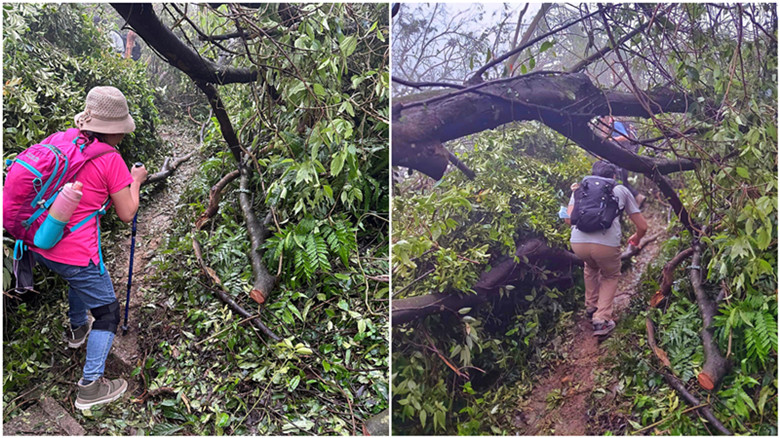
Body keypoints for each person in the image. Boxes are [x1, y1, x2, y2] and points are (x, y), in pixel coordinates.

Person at [29, 86, 148, 409]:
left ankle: (77, 330)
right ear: (116, 130)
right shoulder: (111, 160)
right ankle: (91, 387)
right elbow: (126, 214)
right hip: (77, 252)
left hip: (41, 241)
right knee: (108, 313)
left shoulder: (60, 140)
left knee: (77, 280)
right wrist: (135, 180)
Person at [566, 161, 648, 336]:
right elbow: (642, 226)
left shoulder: (581, 189)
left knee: (590, 267)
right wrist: (637, 237)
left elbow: (567, 219)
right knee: (610, 275)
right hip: (606, 245)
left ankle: (591, 306)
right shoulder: (620, 190)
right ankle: (601, 320)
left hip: (578, 244)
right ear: (613, 177)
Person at [596, 116, 645, 205]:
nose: (601, 121)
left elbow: (624, 136)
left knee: (620, 181)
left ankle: (636, 199)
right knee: (622, 181)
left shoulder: (615, 123)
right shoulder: (611, 125)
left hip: (623, 157)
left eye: (602, 118)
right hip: (622, 157)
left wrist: (611, 139)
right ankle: (636, 198)